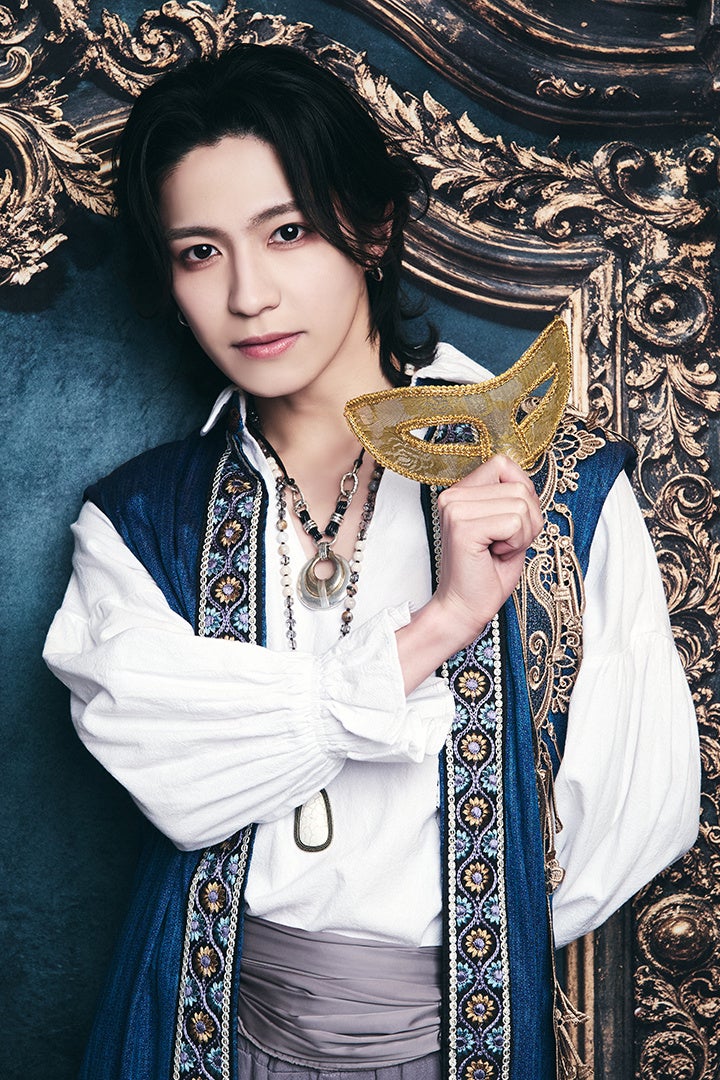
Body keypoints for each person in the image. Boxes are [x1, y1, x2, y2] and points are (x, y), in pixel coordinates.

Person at [43, 43, 699, 1080]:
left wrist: (458, 942)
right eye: (201, 252)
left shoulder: (561, 490)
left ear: (374, 227)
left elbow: (639, 810)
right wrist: (441, 626)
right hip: (204, 1028)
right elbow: (176, 781)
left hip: (457, 1034)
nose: (250, 295)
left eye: (289, 231)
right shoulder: (140, 523)